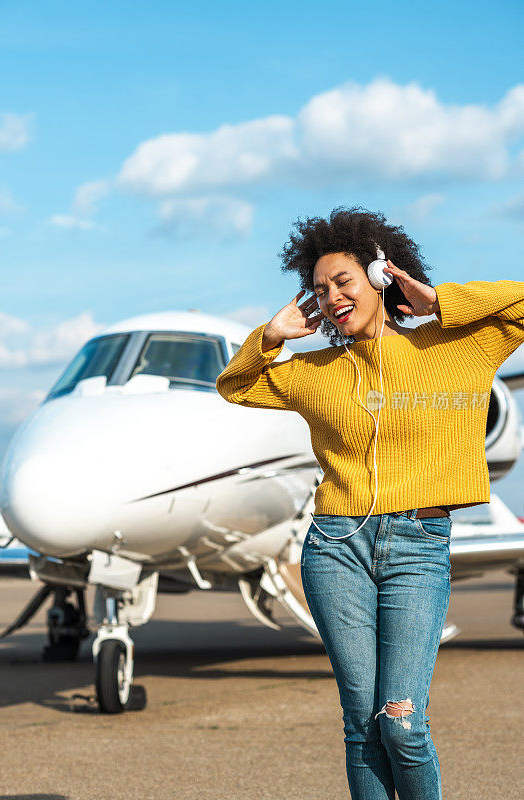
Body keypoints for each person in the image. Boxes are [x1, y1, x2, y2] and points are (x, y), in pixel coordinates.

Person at [215, 205, 524, 800]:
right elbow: (237, 385)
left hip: (418, 548)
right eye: (318, 288)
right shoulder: (315, 372)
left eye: (343, 281)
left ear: (382, 275)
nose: (330, 297)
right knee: (362, 726)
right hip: (335, 548)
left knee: (401, 722)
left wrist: (441, 302)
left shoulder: (457, 348)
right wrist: (272, 337)